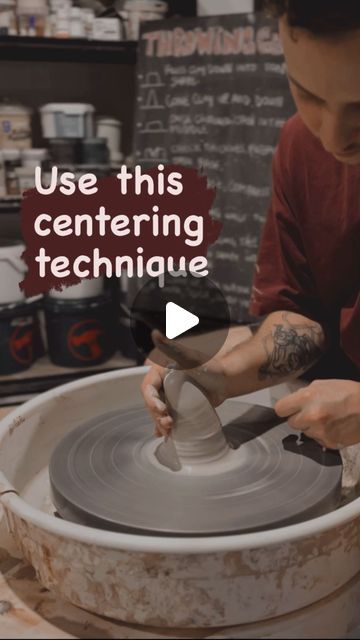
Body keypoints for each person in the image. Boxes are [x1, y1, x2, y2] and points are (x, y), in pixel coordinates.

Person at [141, 0, 360, 450]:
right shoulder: (303, 144)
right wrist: (219, 376)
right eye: (309, 95)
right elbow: (303, 320)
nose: (335, 138)